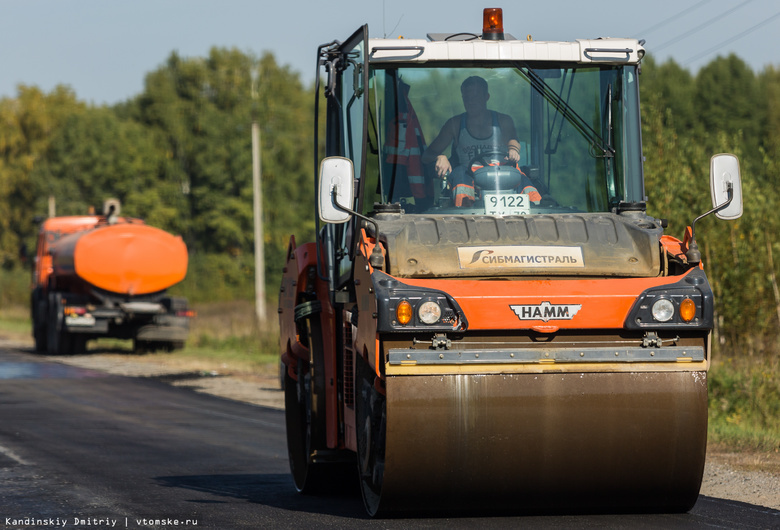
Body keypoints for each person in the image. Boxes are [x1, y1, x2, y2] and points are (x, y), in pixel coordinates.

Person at [421, 76, 541, 206]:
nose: (470, 102)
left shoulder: (503, 121)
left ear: (486, 97)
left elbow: (513, 140)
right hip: (469, 177)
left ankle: (535, 208)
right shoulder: (454, 125)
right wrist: (440, 156)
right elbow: (426, 156)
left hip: (502, 175)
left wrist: (513, 149)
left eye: (475, 97)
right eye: (466, 98)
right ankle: (464, 209)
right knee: (459, 173)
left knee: (520, 176)